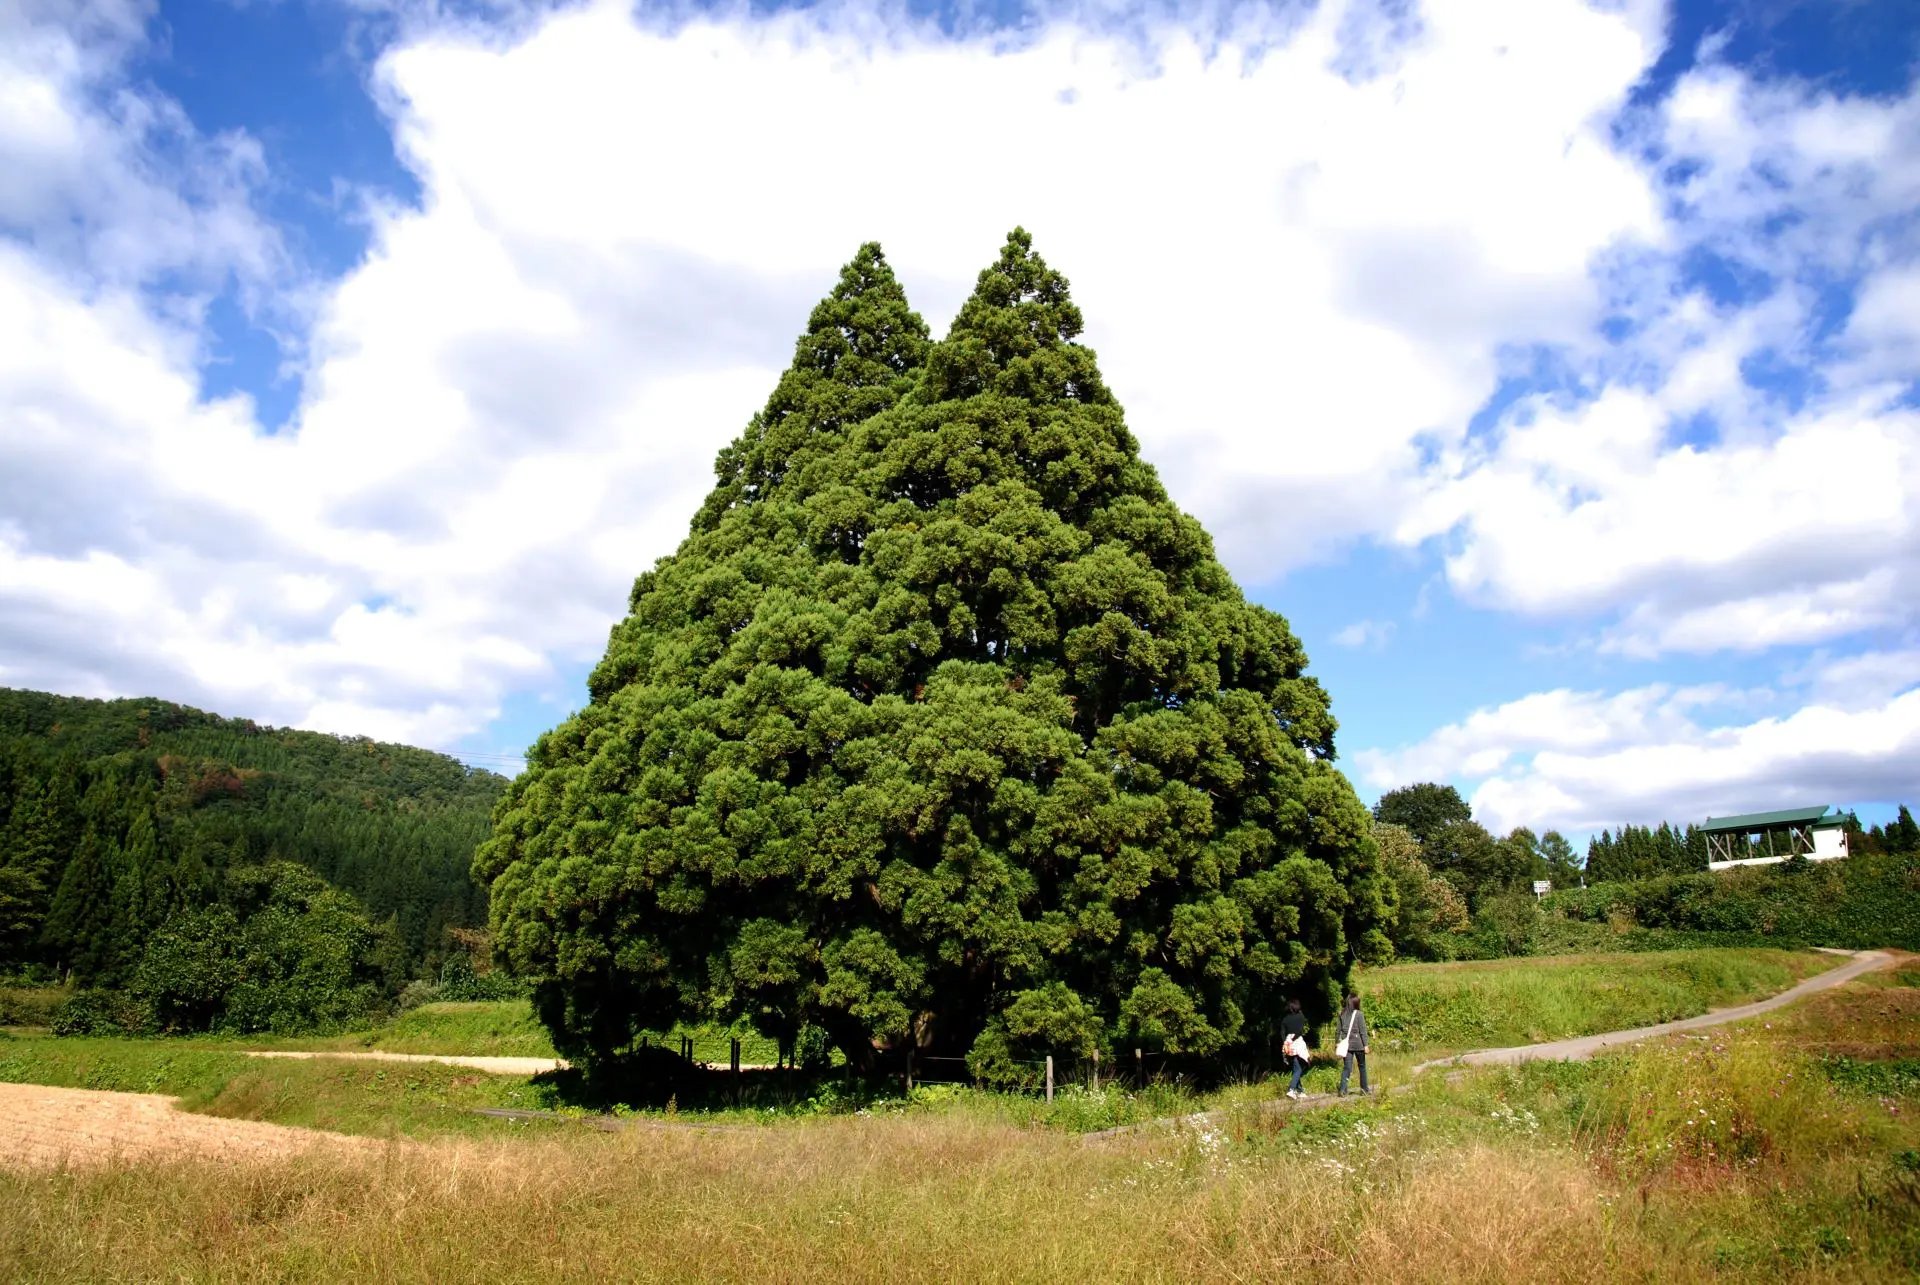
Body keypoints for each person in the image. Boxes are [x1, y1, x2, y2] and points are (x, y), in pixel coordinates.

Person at [1337, 994, 1370, 1096]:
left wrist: (1337, 1043)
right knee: (1362, 1067)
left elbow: (1338, 1030)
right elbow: (1363, 1031)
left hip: (1346, 1045)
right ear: (1356, 1003)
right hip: (1358, 1044)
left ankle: (1343, 1090)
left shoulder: (1341, 1013)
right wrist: (1366, 1045)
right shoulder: (1359, 1014)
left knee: (1347, 1068)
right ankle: (1364, 1089)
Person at [1280, 998, 1310, 1099]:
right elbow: (1300, 1031)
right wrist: (1293, 1039)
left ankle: (1300, 1090)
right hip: (1297, 1043)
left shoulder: (1285, 1019)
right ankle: (1291, 1089)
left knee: (1296, 1067)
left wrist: (1286, 1042)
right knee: (1302, 1066)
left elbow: (1282, 1032)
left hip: (1288, 1044)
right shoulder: (1300, 1017)